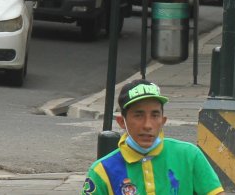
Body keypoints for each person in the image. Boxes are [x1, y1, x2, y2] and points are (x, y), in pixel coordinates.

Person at [81, 79, 223, 195]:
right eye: (138, 115)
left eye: (155, 115)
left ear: (163, 120)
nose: (147, 125)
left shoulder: (190, 156)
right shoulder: (102, 170)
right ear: (121, 122)